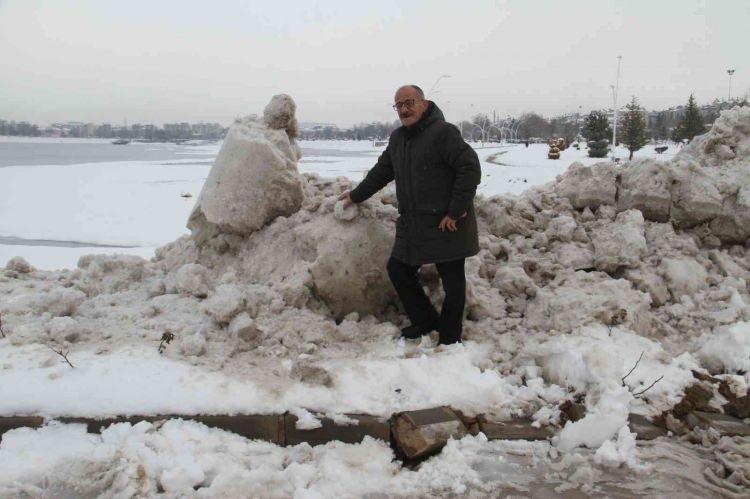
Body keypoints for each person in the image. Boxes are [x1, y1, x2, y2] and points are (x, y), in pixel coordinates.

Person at [338, 85, 481, 345]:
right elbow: (381, 172)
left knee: (453, 283)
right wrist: (356, 195)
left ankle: (450, 339)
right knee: (398, 269)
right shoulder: (398, 139)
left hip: (446, 222)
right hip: (415, 224)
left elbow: (469, 167)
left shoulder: (443, 133)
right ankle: (425, 321)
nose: (404, 109)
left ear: (424, 104)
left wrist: (456, 210)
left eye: (409, 102)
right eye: (399, 105)